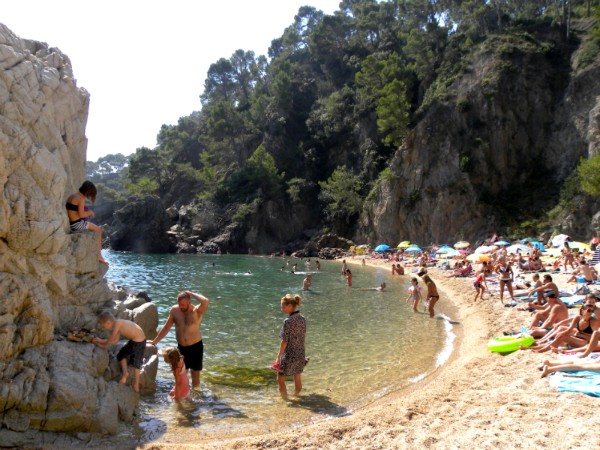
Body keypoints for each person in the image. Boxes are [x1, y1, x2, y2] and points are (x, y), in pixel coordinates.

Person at [149, 290, 209, 387]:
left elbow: (205, 301)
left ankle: (196, 397)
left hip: (196, 347)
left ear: (189, 302)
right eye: (179, 304)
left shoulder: (196, 311)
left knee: (195, 375)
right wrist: (155, 341)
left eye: (183, 304)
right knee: (180, 373)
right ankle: (182, 395)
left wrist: (191, 294)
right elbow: (167, 327)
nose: (181, 306)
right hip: (181, 348)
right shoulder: (174, 311)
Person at [92, 311, 146, 392]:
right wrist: (100, 341)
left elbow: (112, 337)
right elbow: (115, 341)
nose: (103, 328)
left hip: (138, 341)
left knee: (136, 363)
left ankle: (136, 384)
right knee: (121, 355)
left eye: (103, 326)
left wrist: (103, 344)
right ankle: (125, 373)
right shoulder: (117, 325)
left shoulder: (118, 323)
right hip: (136, 340)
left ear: (108, 322)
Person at [274, 294, 307, 399]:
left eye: (283, 306)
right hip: (300, 352)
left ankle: (285, 400)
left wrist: (278, 357)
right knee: (297, 377)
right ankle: (297, 396)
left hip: (289, 354)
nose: (282, 309)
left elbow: (284, 341)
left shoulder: (288, 321)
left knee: (280, 379)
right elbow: (303, 336)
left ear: (290, 306)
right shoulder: (302, 319)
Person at [66, 180, 106, 264]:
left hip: (72, 223)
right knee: (98, 230)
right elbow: (81, 214)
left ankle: (98, 254)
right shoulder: (81, 198)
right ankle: (99, 254)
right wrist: (90, 212)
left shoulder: (72, 196)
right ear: (88, 191)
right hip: (77, 224)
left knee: (95, 228)